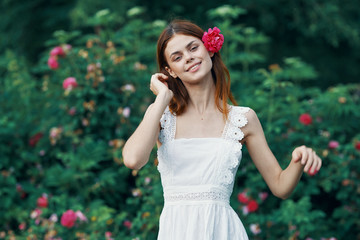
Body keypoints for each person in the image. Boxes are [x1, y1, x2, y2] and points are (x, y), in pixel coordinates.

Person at [122, 19, 322, 240]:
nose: (188, 57)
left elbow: (280, 186)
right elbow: (133, 159)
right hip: (176, 231)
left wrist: (298, 160)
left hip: (224, 231)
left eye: (193, 47)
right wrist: (161, 98)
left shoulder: (243, 119)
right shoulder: (161, 116)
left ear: (209, 49)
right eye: (177, 57)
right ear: (171, 71)